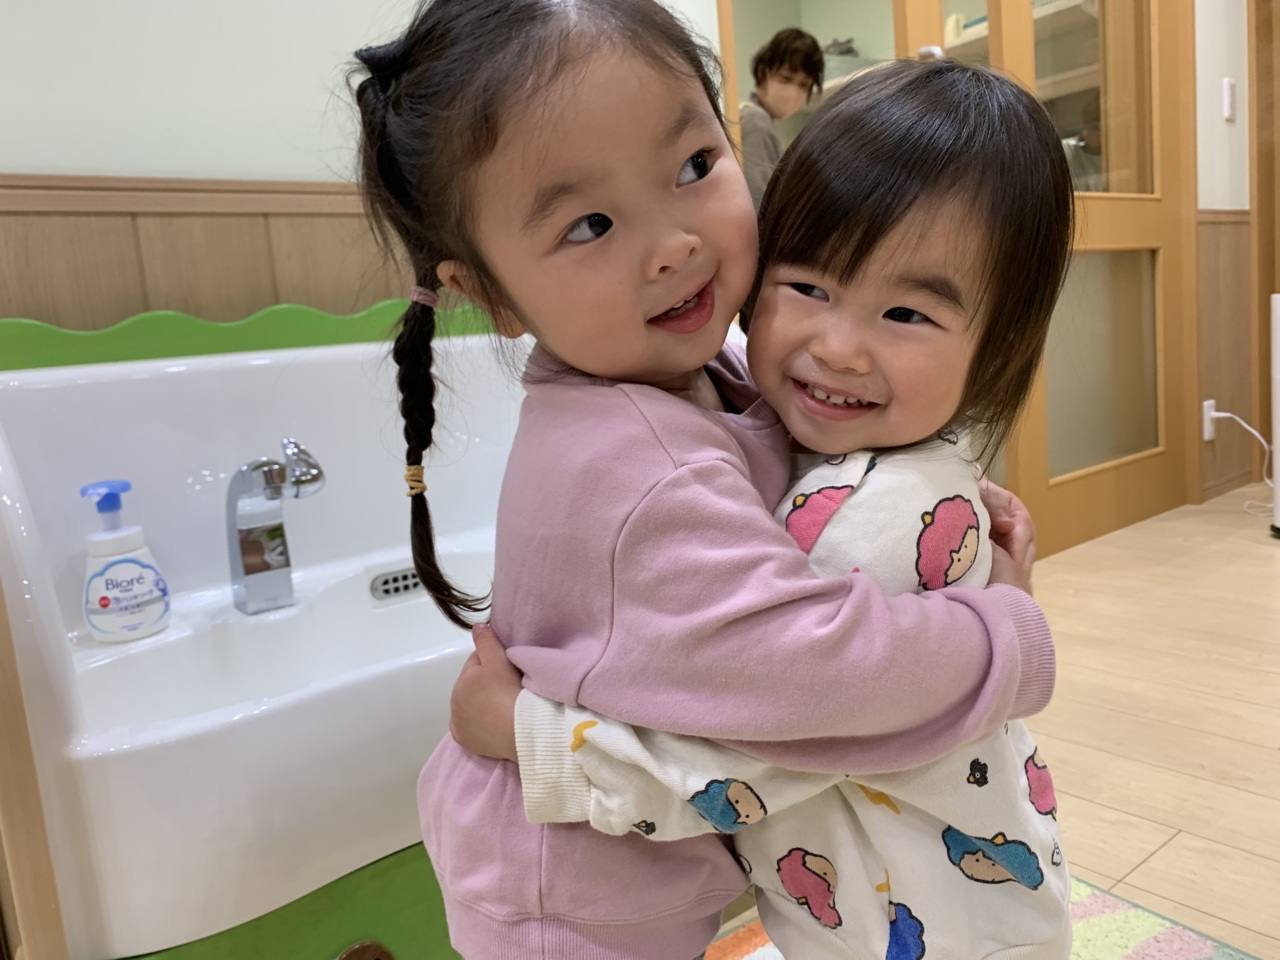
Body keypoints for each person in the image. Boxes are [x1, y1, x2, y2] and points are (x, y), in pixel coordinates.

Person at [351, 2, 1054, 955]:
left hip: (626, 841)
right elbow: (814, 683)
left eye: (691, 167)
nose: (675, 244)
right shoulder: (642, 469)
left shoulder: (681, 362)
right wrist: (1006, 636)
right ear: (494, 296)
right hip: (569, 892)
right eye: (590, 224)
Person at [740, 28, 824, 211]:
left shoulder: (753, 117)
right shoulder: (755, 120)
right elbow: (759, 204)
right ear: (762, 73)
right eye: (786, 78)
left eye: (804, 84)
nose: (793, 91)